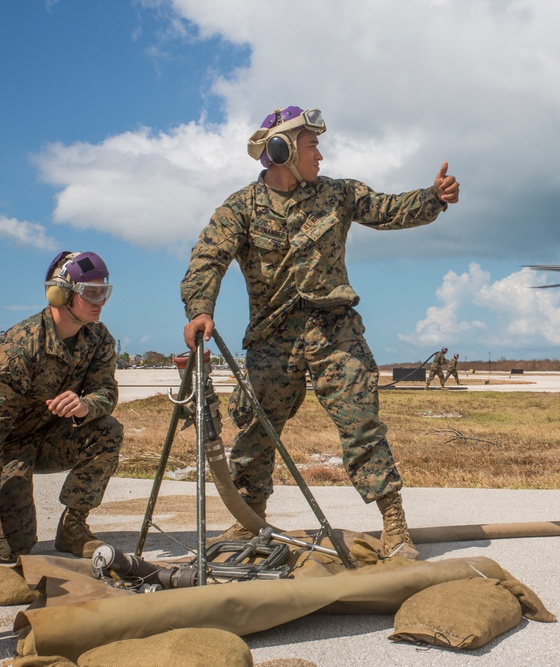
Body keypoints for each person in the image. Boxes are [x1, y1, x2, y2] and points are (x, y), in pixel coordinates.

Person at [181, 105, 459, 559]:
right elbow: (207, 260)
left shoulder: (338, 194)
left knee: (361, 423)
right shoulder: (240, 209)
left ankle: (394, 527)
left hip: (335, 330)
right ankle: (249, 520)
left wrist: (434, 197)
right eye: (312, 146)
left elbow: (388, 209)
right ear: (281, 150)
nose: (321, 156)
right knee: (255, 429)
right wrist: (200, 309)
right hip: (273, 339)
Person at [0, 251, 122, 562]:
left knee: (107, 431)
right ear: (60, 294)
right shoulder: (19, 348)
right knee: (15, 548)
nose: (100, 301)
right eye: (91, 292)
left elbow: (106, 391)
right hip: (5, 449)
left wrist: (85, 406)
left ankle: (73, 527)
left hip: (49, 439)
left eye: (104, 292)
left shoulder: (98, 338)